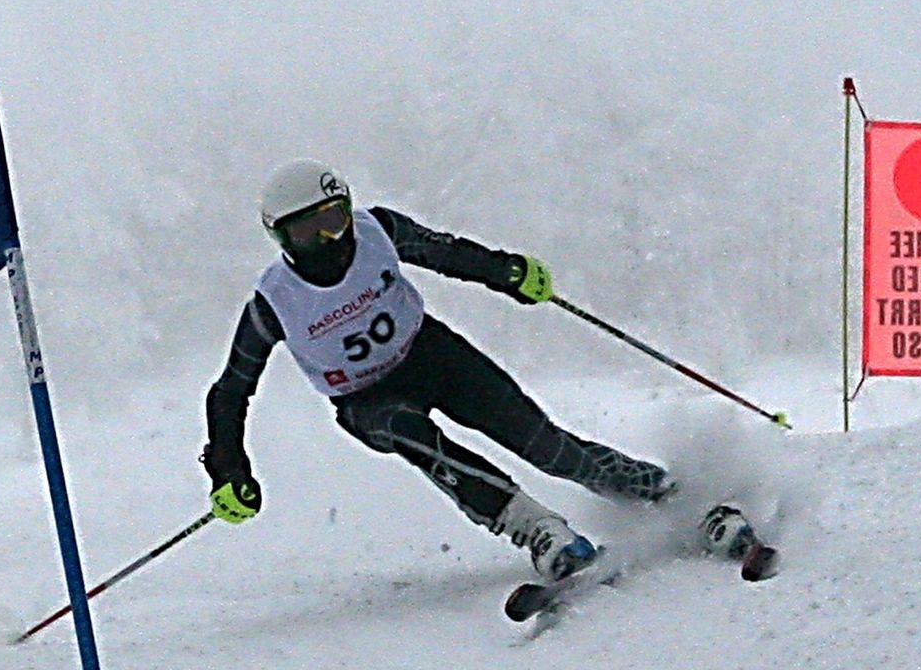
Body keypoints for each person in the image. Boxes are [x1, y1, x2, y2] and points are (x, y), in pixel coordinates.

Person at [202, 159, 690, 582]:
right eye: (307, 233)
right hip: (367, 400)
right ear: (280, 238)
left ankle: (656, 488)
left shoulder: (378, 231)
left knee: (541, 442)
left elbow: (446, 253)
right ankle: (538, 531)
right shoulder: (274, 303)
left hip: (431, 356)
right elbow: (230, 392)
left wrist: (508, 272)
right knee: (416, 438)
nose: (328, 239)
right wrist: (228, 469)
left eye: (333, 220)